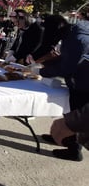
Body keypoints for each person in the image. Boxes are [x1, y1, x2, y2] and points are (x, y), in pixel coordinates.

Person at [35, 18, 89, 161]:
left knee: (77, 116)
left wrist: (42, 72)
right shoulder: (72, 34)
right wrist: (45, 64)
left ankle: (74, 150)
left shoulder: (77, 39)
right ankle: (63, 137)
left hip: (84, 84)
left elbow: (67, 67)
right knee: (70, 110)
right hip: (79, 81)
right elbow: (66, 58)